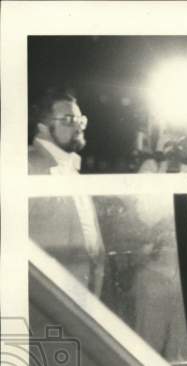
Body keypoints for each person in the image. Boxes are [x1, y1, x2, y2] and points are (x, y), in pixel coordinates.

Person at [27, 87, 106, 297]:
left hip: (82, 295)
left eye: (81, 120)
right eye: (69, 119)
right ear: (43, 126)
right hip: (47, 304)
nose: (79, 126)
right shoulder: (27, 166)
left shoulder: (72, 169)